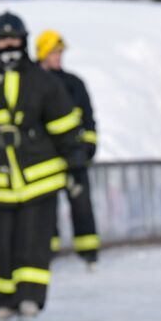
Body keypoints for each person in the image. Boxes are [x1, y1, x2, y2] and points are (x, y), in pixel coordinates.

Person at [0, 12, 83, 320]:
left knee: (35, 242)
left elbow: (66, 128)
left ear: (24, 42)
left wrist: (75, 168)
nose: (8, 44)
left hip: (41, 178)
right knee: (1, 247)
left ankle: (32, 299)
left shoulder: (44, 83)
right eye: (3, 39)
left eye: (14, 38)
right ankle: (5, 299)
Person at [37, 30, 101, 267]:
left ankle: (89, 253)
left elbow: (89, 119)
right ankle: (46, 254)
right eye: (54, 52)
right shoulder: (33, 83)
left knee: (82, 205)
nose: (58, 57)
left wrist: (89, 147)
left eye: (60, 52)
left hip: (75, 157)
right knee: (46, 208)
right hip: (46, 159)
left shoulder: (74, 84)